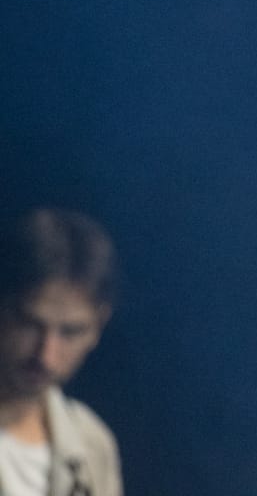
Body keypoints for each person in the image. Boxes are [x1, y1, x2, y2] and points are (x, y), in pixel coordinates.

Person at [0, 208, 123, 496]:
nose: (46, 354)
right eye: (30, 324)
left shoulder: (92, 444)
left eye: (71, 332)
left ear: (99, 326)